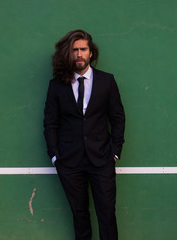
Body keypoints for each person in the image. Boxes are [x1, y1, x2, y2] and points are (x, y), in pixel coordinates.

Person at [43, 29, 125, 240]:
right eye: (74, 50)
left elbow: (118, 118)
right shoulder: (56, 85)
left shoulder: (107, 81)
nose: (79, 54)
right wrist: (55, 155)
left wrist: (115, 152)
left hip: (102, 159)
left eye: (83, 49)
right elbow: (50, 122)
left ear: (91, 53)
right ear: (68, 54)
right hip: (69, 162)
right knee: (80, 217)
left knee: (107, 215)